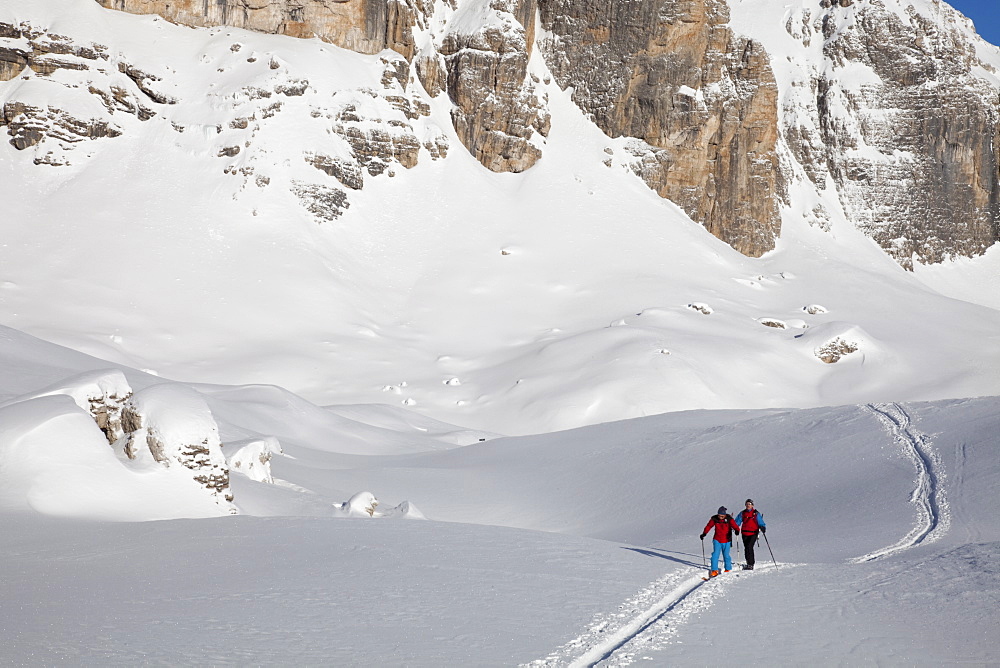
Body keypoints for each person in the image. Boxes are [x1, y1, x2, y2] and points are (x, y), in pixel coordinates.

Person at [700, 506, 740, 576]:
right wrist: (704, 533)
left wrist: (737, 530)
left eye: (722, 516)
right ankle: (714, 570)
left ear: (724, 515)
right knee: (715, 555)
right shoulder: (714, 519)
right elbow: (709, 526)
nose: (720, 517)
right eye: (719, 516)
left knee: (726, 555)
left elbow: (735, 526)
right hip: (717, 539)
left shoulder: (729, 519)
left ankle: (728, 569)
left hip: (727, 540)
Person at [735, 499, 766, 570]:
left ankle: (751, 564)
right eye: (747, 504)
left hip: (753, 533)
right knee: (746, 548)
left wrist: (762, 527)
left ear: (752, 505)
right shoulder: (742, 513)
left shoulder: (756, 513)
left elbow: (760, 521)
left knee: (749, 547)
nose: (748, 505)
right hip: (744, 533)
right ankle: (748, 562)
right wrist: (735, 527)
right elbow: (738, 521)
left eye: (749, 504)